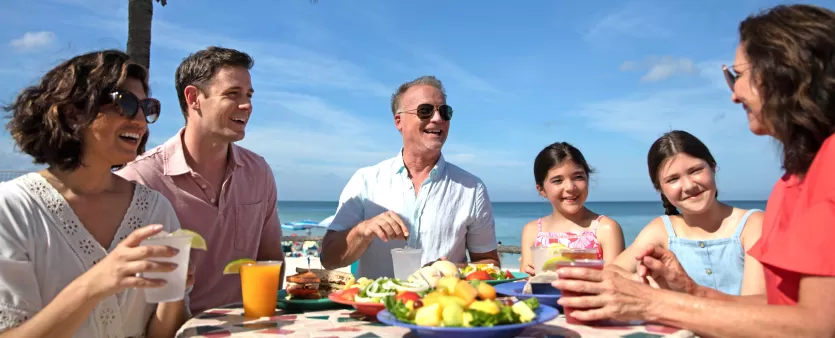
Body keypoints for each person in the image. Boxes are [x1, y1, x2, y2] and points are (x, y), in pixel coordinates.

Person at [554, 5, 835, 336]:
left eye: (738, 75)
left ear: (784, 71)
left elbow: (826, 327)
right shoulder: (794, 180)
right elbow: (780, 311)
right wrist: (692, 293)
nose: (734, 95)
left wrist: (651, 303)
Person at [0, 50, 190, 337]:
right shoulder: (13, 208)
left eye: (146, 107)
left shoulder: (155, 209)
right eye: (125, 103)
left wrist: (173, 293)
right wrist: (95, 283)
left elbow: (163, 332)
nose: (140, 121)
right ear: (73, 112)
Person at [116, 46, 284, 314]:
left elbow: (271, 258)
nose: (247, 105)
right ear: (193, 97)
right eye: (233, 94)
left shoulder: (258, 171)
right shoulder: (140, 178)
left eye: (249, 95)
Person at [320, 75, 500, 278]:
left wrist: (453, 269)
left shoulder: (471, 188)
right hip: (375, 307)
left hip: (439, 307)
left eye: (444, 111)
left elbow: (490, 264)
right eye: (425, 111)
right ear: (399, 121)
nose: (437, 118)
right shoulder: (365, 181)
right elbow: (329, 259)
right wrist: (363, 231)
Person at [610, 131, 765, 296]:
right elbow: (611, 272)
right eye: (673, 179)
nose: (689, 186)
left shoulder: (753, 224)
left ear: (713, 167)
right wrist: (643, 281)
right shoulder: (662, 230)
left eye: (695, 171)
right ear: (659, 188)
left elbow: (757, 305)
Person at [520, 142, 625, 275]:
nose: (570, 187)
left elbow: (616, 283)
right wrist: (529, 275)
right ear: (541, 189)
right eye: (558, 180)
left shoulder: (606, 229)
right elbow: (522, 284)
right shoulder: (532, 231)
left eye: (578, 177)